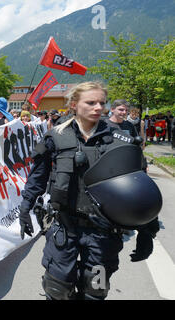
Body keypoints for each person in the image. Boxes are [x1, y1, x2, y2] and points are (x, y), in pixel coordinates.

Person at [18, 81, 160, 300]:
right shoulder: (55, 136)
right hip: (64, 227)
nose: (98, 108)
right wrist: (25, 208)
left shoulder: (119, 140)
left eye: (102, 103)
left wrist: (147, 231)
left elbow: (139, 189)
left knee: (96, 291)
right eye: (91, 102)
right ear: (74, 105)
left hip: (103, 233)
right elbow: (38, 177)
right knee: (57, 290)